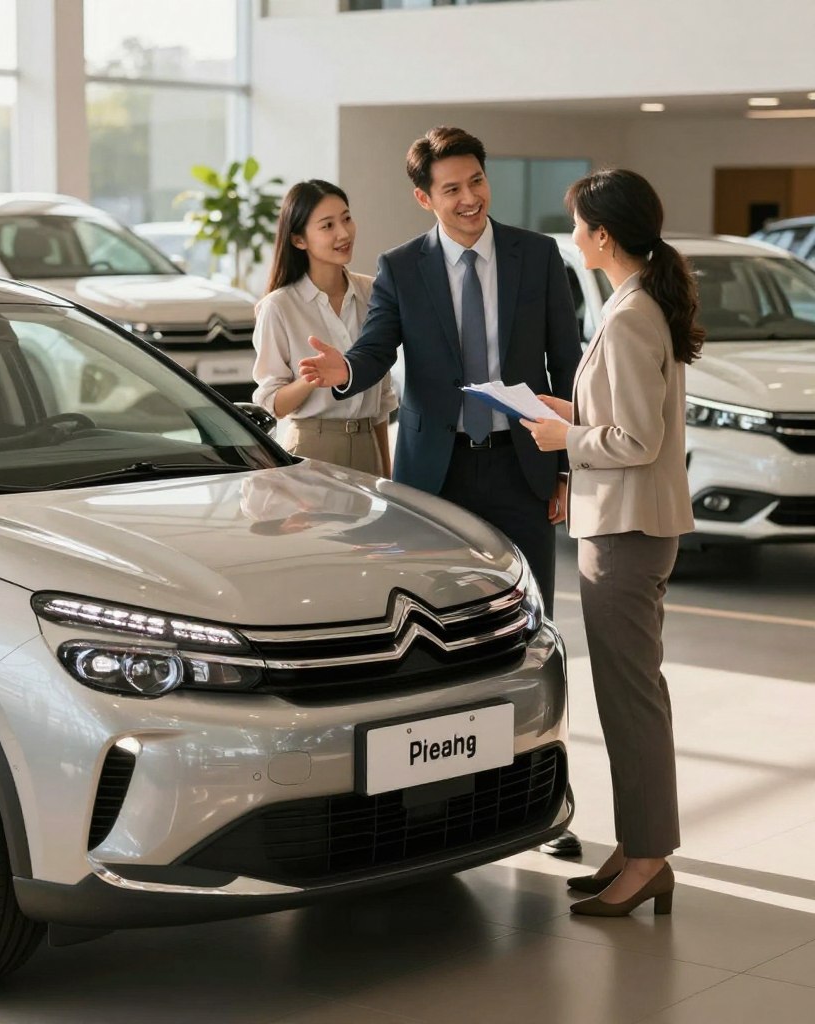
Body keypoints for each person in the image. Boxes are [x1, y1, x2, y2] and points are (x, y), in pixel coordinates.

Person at [298, 127, 584, 856]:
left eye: (477, 181)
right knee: (432, 642)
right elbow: (373, 353)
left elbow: (567, 363)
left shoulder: (537, 254)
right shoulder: (402, 267)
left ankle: (542, 793)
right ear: (425, 197)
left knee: (530, 636)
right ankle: (427, 797)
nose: (470, 198)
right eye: (451, 188)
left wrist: (565, 471)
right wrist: (340, 374)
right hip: (435, 477)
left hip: (521, 469)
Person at [521, 168, 704, 916]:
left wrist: (567, 437)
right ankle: (637, 848)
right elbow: (623, 415)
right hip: (630, 525)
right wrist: (568, 410)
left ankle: (649, 858)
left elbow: (633, 437)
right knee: (631, 697)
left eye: (577, 225)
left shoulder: (630, 316)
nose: (572, 237)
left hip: (625, 530)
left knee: (630, 702)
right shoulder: (638, 303)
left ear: (602, 234)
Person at [252, 179, 396, 477]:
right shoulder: (278, 307)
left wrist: (385, 471)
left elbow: (382, 400)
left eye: (346, 218)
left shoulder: (375, 293)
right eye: (327, 225)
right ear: (298, 240)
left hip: (369, 443)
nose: (344, 233)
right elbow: (272, 405)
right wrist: (310, 380)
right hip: (311, 448)